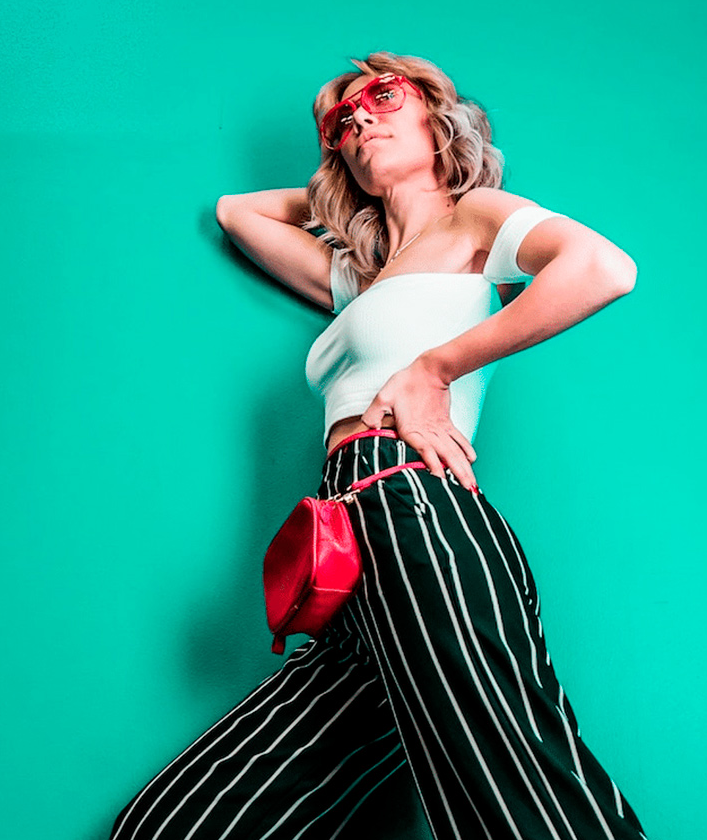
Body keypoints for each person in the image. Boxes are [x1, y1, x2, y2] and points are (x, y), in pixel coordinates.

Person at [108, 52, 647, 840]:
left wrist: (435, 367)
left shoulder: (473, 218)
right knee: (177, 823)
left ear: (439, 118)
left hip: (417, 509)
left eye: (384, 98)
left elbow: (604, 268)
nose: (360, 117)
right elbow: (236, 213)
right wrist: (344, 181)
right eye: (341, 121)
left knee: (513, 789)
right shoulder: (361, 278)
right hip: (343, 560)